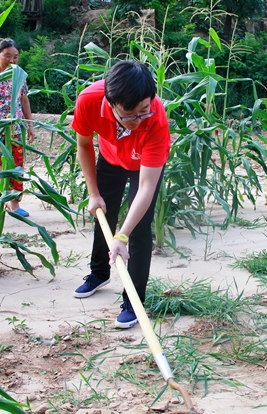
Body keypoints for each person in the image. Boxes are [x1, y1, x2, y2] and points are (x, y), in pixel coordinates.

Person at [71, 60, 171, 329]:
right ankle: (99, 273)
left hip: (144, 166)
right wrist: (93, 194)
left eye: (143, 111)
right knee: (103, 213)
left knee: (137, 231)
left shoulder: (157, 120)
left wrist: (122, 236)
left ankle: (133, 300)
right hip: (111, 158)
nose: (138, 120)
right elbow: (83, 144)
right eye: (129, 114)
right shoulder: (89, 101)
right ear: (110, 102)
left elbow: (147, 187)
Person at [0, 38, 34, 219]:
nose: (12, 60)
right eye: (7, 56)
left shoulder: (19, 74)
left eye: (15, 57)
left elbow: (24, 101)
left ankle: (14, 204)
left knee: (15, 166)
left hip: (15, 129)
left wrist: (30, 125)